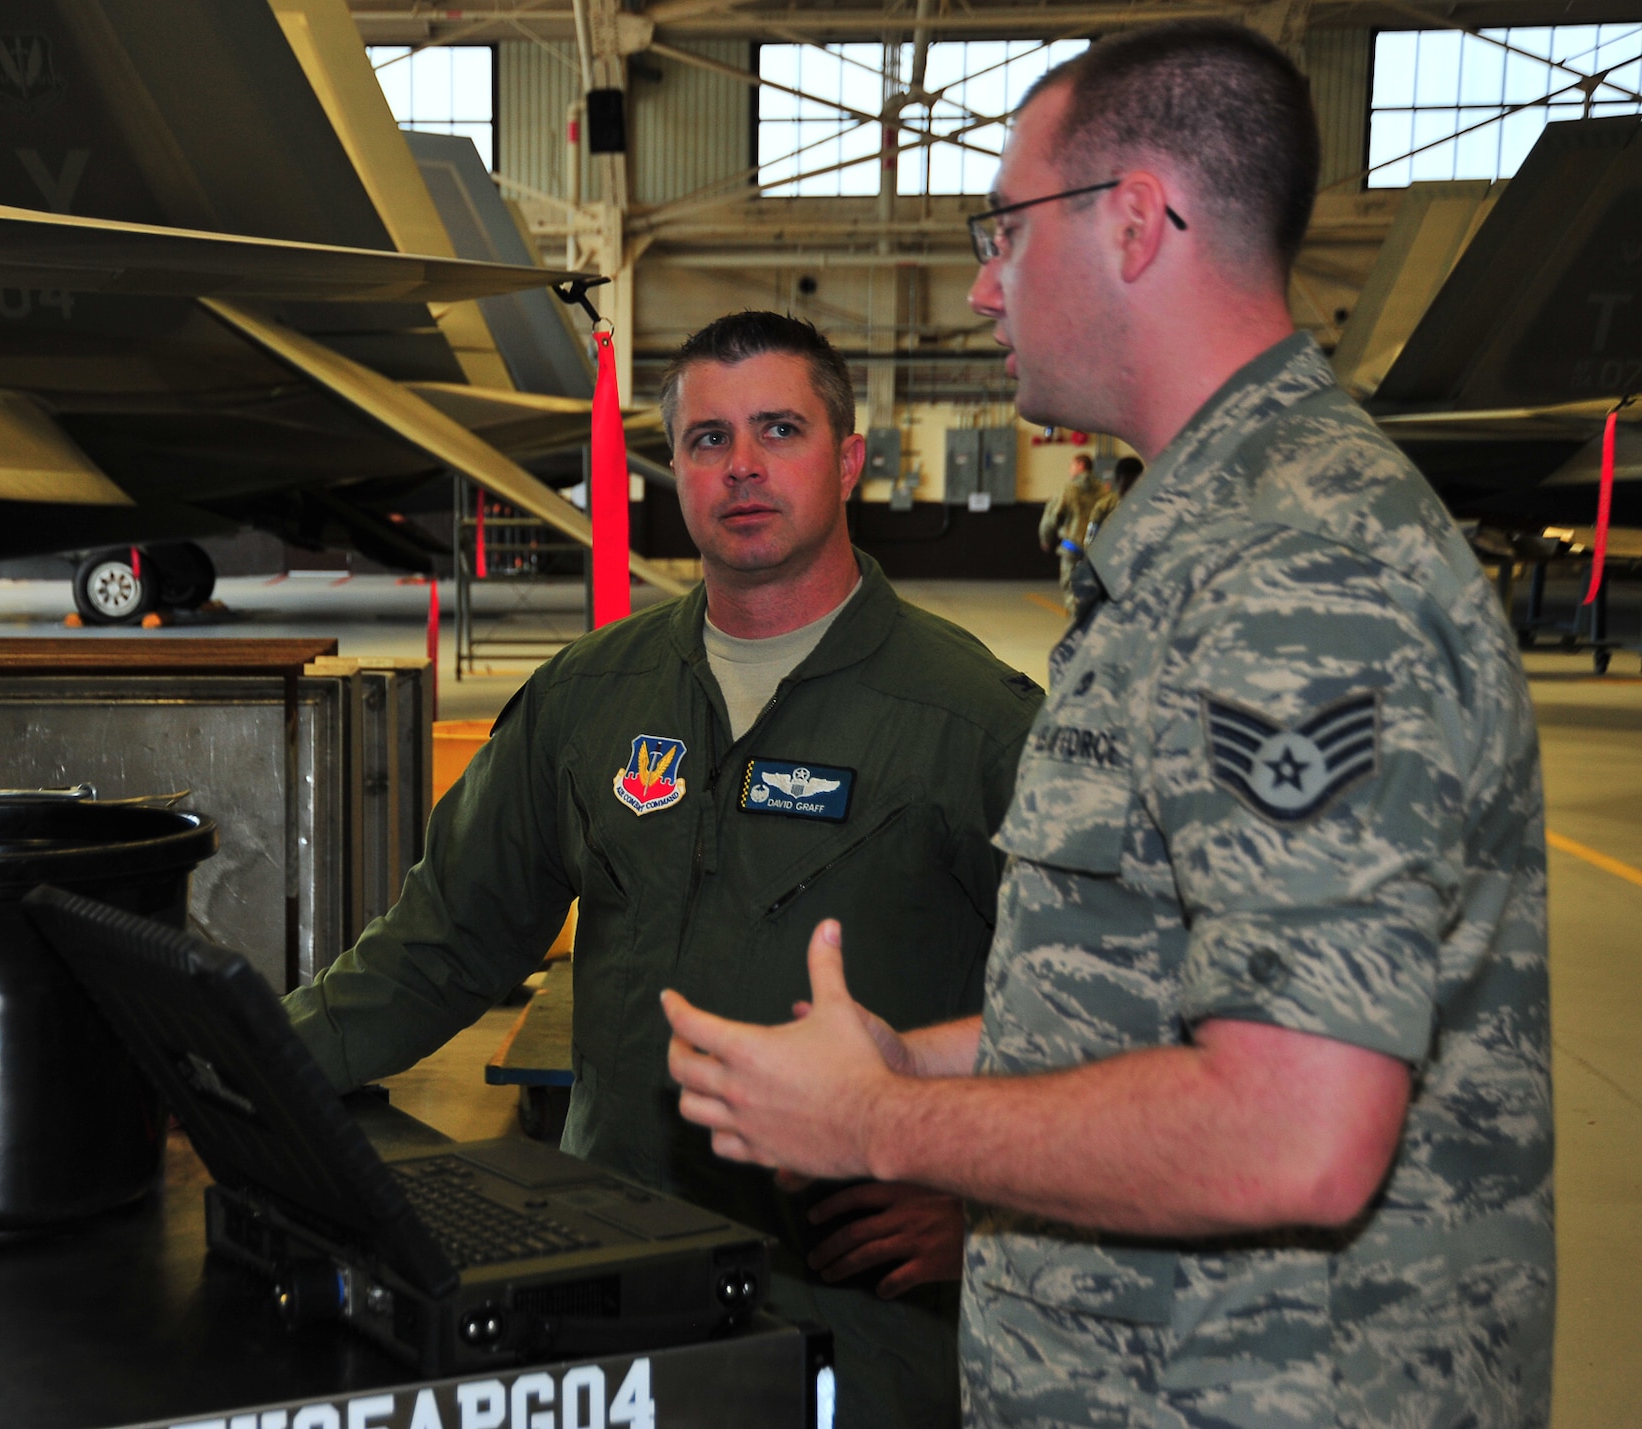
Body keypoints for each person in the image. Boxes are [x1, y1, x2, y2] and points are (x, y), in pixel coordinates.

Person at [662, 24, 1551, 1429]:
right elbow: (1153, 989)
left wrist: (880, 1123)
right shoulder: (1200, 542)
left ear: (1133, 223)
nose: (981, 285)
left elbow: (1297, 1129)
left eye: (1004, 232)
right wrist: (913, 1060)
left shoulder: (1294, 569)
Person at [284, 310, 1043, 1427]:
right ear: (674, 472)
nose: (740, 466)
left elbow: (1101, 1012)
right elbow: (443, 941)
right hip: (606, 1285)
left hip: (855, 1324)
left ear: (848, 461)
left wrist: (994, 1209)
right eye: (706, 438)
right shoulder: (591, 696)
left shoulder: (972, 723)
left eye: (778, 429)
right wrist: (254, 1063)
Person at [1037, 452, 1106, 609]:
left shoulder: (1068, 490)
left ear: (1081, 466)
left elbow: (1051, 518)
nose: (1070, 469)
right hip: (1096, 551)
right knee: (1095, 593)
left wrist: (1045, 539)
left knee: (1071, 591)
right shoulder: (1104, 492)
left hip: (1072, 549)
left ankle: (1075, 618)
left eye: (1072, 465)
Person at [1084, 454, 1144, 544]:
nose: (1130, 492)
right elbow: (1090, 541)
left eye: (1135, 486)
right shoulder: (1104, 507)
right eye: (1126, 487)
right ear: (1117, 480)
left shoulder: (1147, 505)